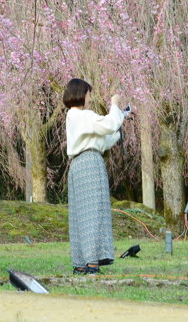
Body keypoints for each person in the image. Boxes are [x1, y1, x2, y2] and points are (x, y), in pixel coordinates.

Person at [64, 78, 127, 275]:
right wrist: (115, 104)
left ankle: (81, 262)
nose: (90, 98)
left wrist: (120, 120)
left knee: (80, 215)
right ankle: (92, 262)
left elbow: (103, 136)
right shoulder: (82, 115)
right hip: (90, 164)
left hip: (77, 165)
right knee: (94, 212)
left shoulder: (75, 117)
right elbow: (108, 125)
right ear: (81, 93)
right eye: (89, 94)